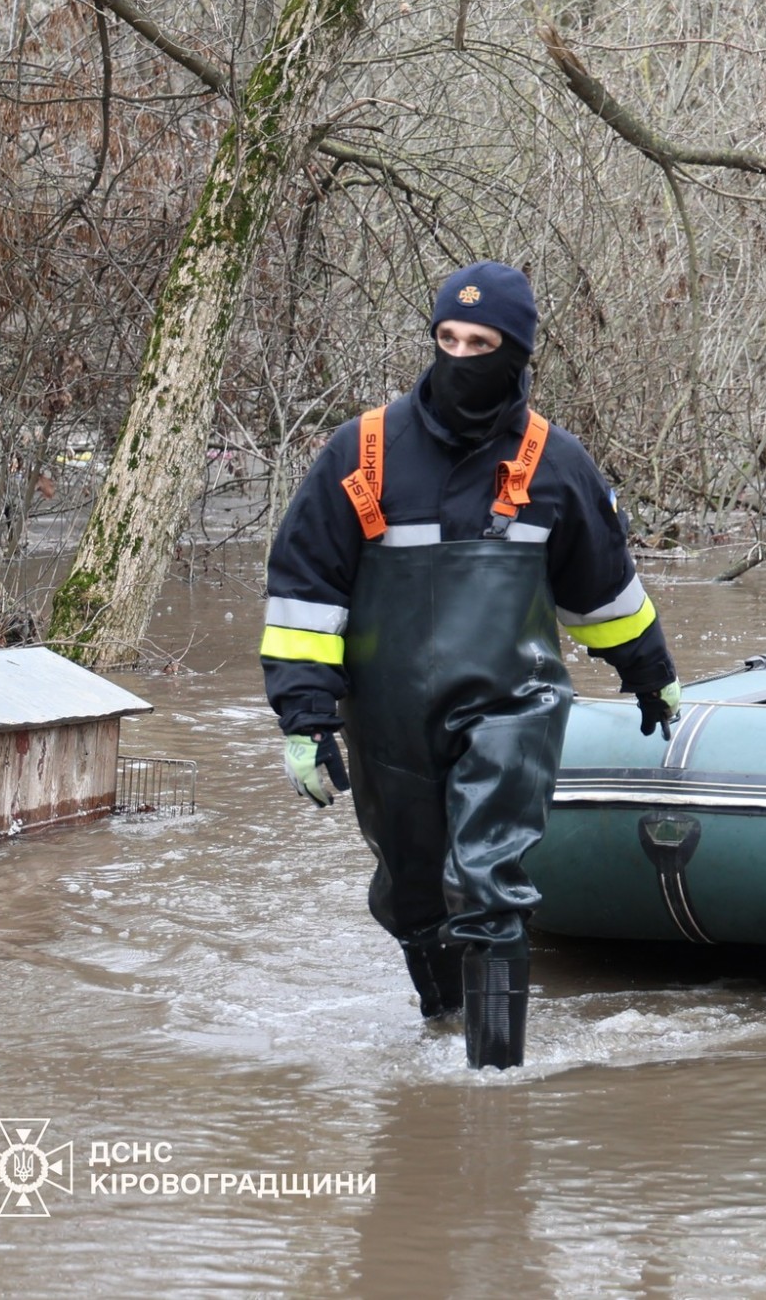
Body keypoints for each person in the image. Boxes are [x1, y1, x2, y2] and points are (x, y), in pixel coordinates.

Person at [258, 261, 681, 1068]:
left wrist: (649, 671)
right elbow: (305, 592)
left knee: (488, 878)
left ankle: (494, 1085)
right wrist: (305, 718)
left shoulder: (555, 463)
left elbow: (604, 591)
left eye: (480, 343)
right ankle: (445, 1026)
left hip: (511, 705)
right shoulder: (363, 451)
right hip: (388, 714)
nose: (459, 356)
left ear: (516, 353)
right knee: (412, 889)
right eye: (446, 338)